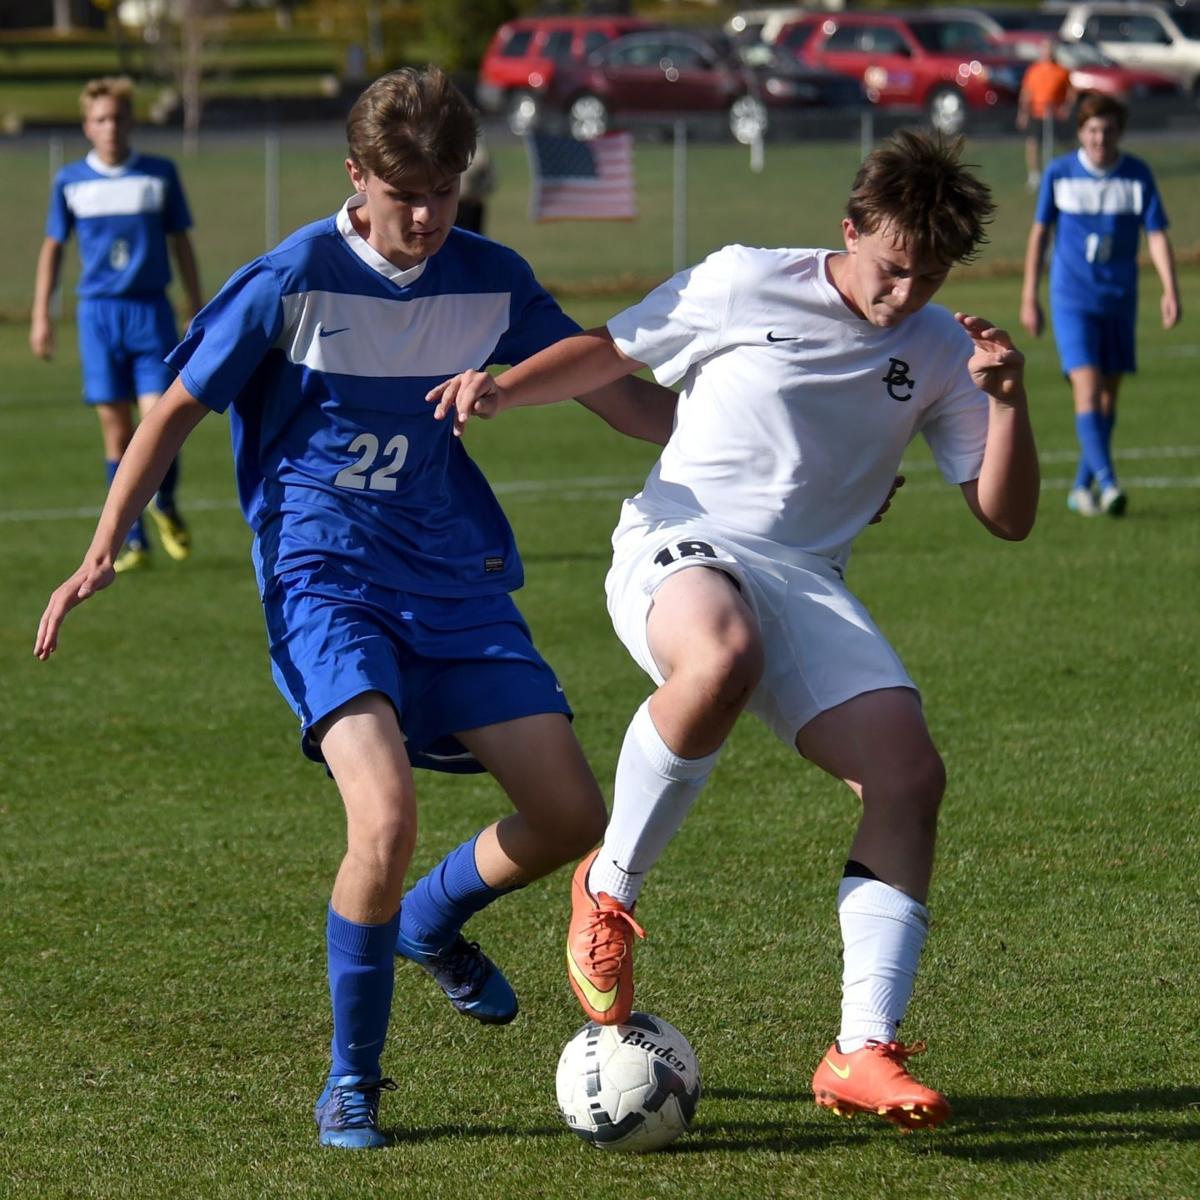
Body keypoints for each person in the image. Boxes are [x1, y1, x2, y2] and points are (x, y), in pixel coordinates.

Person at [35, 66, 676, 1151]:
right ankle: (353, 1081)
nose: (425, 215)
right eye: (403, 191)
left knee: (573, 817)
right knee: (381, 818)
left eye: (443, 190)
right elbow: (176, 406)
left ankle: (431, 921)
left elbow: (620, 397)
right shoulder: (294, 277)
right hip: (324, 578)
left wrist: (772, 454)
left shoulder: (488, 277)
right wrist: (104, 546)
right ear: (357, 177)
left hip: (454, 582)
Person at [429, 128, 1041, 1132]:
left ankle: (860, 1050)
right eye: (891, 269)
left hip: (805, 580)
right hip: (681, 541)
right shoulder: (741, 283)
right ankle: (608, 893)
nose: (903, 295)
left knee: (908, 778)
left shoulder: (939, 352)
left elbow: (1006, 515)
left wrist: (1007, 403)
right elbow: (612, 351)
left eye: (927, 278)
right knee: (722, 656)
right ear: (848, 231)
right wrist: (506, 384)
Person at [30, 76, 203, 573]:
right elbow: (52, 250)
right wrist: (43, 315)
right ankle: (135, 542)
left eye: (118, 118)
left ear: (130, 121)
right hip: (98, 316)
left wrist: (196, 302)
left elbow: (182, 242)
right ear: (87, 126)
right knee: (116, 432)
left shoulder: (159, 175)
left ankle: (165, 504)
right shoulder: (70, 182)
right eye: (100, 119)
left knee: (160, 421)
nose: (110, 127)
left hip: (151, 311)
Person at [1020, 92, 1181, 518]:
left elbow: (1158, 235)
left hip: (1120, 300)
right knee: (1087, 389)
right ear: (1080, 133)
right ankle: (1109, 484)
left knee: (1108, 400)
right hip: (1072, 300)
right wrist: (1029, 297)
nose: (1099, 139)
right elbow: (1039, 236)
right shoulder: (1059, 174)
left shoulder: (1137, 176)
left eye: (1108, 131)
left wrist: (1170, 289)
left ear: (1119, 133)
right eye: (1092, 130)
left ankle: (1080, 487)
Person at [1016, 40, 1075, 191]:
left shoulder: (1062, 70)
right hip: (1037, 112)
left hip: (1055, 115)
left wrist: (1066, 108)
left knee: (1067, 144)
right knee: (1033, 144)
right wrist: (1023, 112)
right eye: (1045, 49)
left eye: (1050, 49)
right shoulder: (1034, 70)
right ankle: (1035, 176)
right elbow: (1026, 92)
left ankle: (1072, 171)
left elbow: (1071, 92)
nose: (1047, 52)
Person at [455, 127, 495, 235]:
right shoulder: (451, 149)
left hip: (473, 203)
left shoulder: (478, 151)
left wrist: (483, 191)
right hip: (458, 203)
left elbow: (489, 176)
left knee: (474, 236)